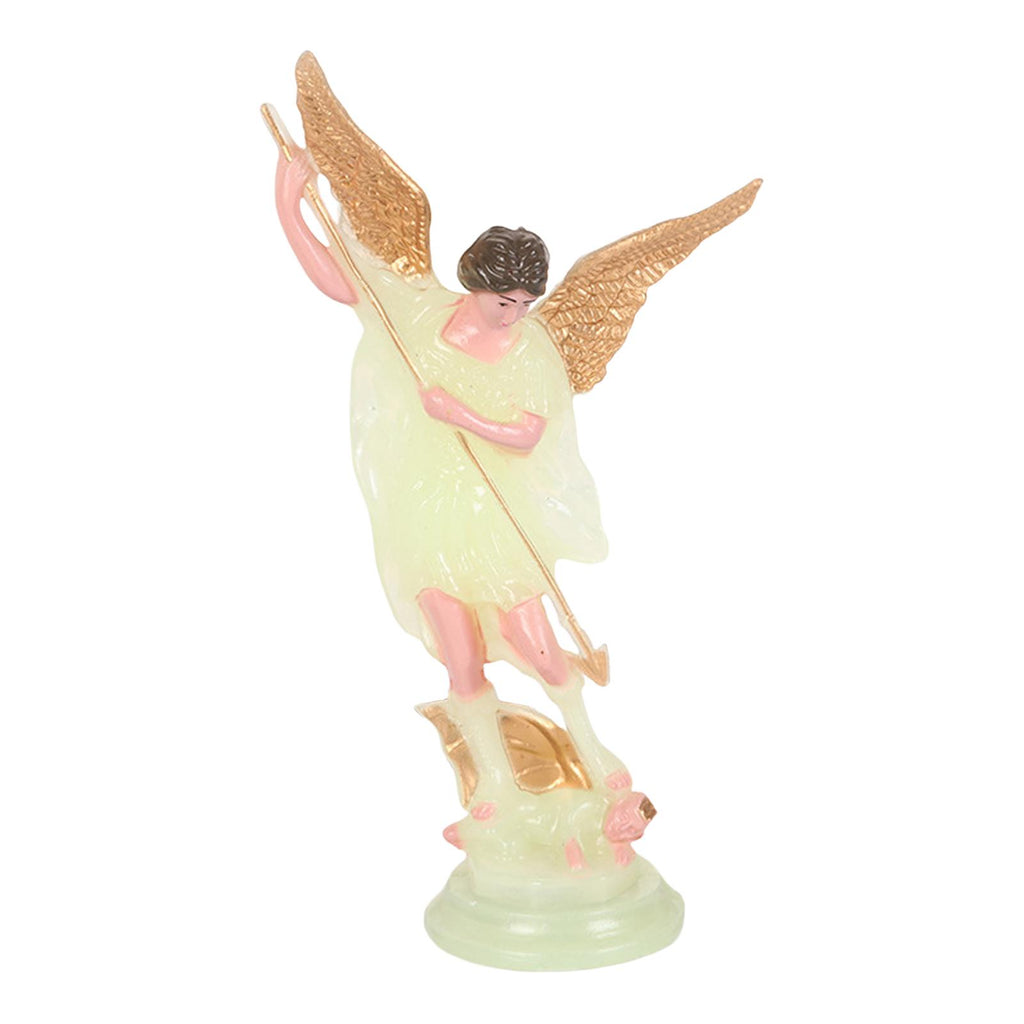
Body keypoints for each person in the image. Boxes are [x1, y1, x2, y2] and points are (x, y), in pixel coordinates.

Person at [276, 150, 619, 791]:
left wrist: (459, 412)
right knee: (460, 657)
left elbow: (528, 433)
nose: (514, 314)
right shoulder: (421, 316)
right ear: (476, 285)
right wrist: (288, 205)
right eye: (504, 301)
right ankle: (494, 781)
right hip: (427, 508)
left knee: (537, 644)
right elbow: (344, 283)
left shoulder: (529, 350)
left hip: (492, 513)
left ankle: (593, 749)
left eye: (525, 303)